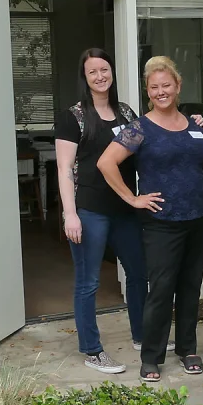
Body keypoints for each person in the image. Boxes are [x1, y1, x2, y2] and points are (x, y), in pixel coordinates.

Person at [97, 55, 203, 382]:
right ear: (148, 92)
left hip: (198, 217)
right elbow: (106, 163)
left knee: (191, 286)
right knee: (162, 289)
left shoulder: (195, 126)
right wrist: (132, 198)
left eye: (167, 85)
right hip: (162, 222)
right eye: (154, 88)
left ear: (178, 86)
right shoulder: (139, 128)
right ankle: (151, 356)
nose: (161, 92)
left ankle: (188, 349)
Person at [55, 48, 146, 375]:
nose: (99, 76)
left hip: (125, 208)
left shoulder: (126, 113)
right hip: (90, 210)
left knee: (138, 273)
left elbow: (150, 144)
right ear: (85, 77)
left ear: (112, 73)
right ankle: (92, 350)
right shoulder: (74, 117)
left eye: (104, 69)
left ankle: (142, 336)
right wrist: (70, 213)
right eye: (92, 71)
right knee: (88, 282)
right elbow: (65, 168)